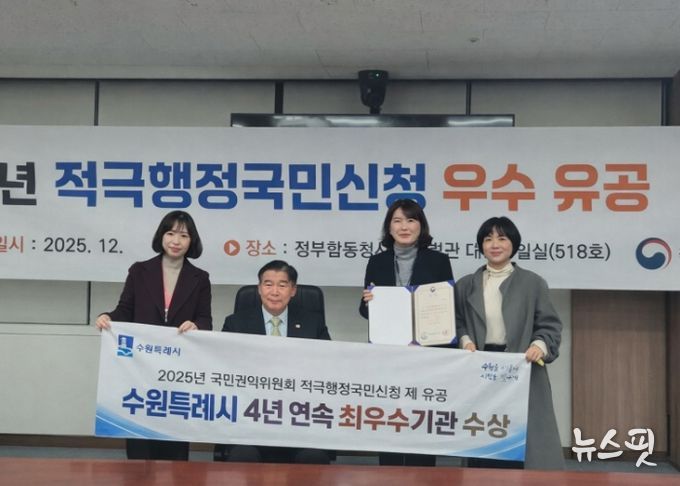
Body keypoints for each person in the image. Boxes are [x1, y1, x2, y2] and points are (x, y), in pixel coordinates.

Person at [95, 210, 212, 461]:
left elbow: (205, 319)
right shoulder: (140, 271)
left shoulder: (200, 278)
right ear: (161, 236)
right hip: (141, 367)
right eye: (170, 233)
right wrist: (107, 317)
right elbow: (125, 310)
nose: (176, 241)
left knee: (174, 439)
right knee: (139, 439)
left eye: (183, 235)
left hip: (178, 369)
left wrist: (196, 325)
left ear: (192, 241)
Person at [455, 216, 564, 470]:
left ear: (513, 244)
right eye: (488, 239)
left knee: (521, 437)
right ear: (481, 246)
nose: (495, 245)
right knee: (481, 430)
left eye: (502, 238)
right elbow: (457, 323)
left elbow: (549, 326)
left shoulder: (533, 283)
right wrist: (465, 340)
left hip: (521, 366)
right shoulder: (465, 285)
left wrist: (539, 345)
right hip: (480, 367)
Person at [360, 198, 454, 467]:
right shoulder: (377, 262)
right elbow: (366, 311)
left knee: (421, 421)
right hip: (389, 356)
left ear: (421, 226)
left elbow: (446, 308)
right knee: (390, 420)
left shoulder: (438, 261)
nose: (404, 227)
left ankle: (423, 476)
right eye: (397, 221)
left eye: (411, 220)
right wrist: (368, 302)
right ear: (389, 227)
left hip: (427, 355)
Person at [221, 259, 331, 464]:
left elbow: (327, 366)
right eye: (268, 284)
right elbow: (223, 368)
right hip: (250, 416)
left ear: (293, 290)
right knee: (243, 456)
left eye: (282, 285)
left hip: (299, 417)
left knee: (313, 456)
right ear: (259, 289)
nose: (274, 291)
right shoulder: (235, 323)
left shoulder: (313, 323)